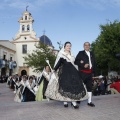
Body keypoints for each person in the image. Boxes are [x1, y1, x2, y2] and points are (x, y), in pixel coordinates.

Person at [45, 42, 87, 109]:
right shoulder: (62, 54)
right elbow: (59, 63)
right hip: (65, 72)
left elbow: (75, 62)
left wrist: (80, 62)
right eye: (67, 46)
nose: (69, 47)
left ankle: (73, 102)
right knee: (65, 87)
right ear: (64, 47)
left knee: (73, 86)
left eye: (70, 46)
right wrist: (54, 69)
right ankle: (66, 101)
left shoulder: (72, 54)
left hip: (73, 71)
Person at [75, 42, 96, 107]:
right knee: (80, 86)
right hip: (82, 72)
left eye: (88, 45)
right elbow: (76, 61)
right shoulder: (80, 53)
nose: (87, 46)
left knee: (89, 87)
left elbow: (94, 63)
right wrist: (83, 64)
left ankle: (89, 102)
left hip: (90, 73)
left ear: (89, 46)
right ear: (83, 46)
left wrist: (94, 72)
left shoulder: (92, 53)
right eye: (85, 45)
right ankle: (78, 99)